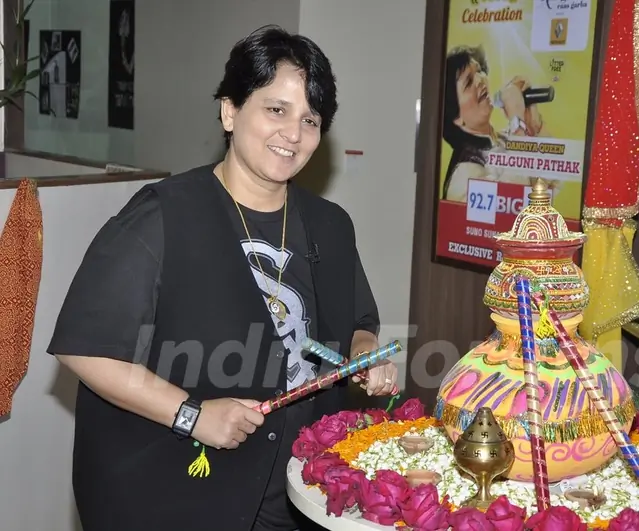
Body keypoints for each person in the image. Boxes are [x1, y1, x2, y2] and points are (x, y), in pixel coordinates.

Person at [47, 25, 397, 531]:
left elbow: (358, 323)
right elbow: (87, 346)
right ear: (230, 110)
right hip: (175, 495)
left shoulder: (331, 225)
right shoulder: (163, 215)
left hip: (296, 492)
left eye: (310, 119)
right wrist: (192, 414)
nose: (293, 134)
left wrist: (364, 352)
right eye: (276, 110)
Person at [441, 45, 561, 202]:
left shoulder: (505, 140)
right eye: (469, 82)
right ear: (457, 117)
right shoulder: (463, 173)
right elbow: (509, 208)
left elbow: (552, 185)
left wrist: (533, 124)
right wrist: (518, 124)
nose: (480, 79)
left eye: (479, 70)